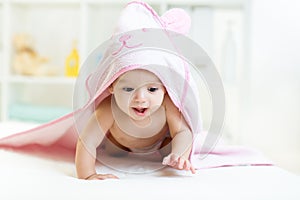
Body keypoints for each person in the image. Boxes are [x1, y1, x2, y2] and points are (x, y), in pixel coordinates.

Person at [75, 69, 196, 180]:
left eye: (152, 89)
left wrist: (180, 155)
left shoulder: (167, 104)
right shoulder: (109, 107)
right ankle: (114, 143)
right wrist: (88, 175)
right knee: (114, 151)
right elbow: (87, 140)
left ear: (164, 88)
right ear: (111, 87)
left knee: (170, 152)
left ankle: (172, 154)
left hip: (159, 142)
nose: (140, 99)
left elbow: (182, 132)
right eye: (128, 89)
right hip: (119, 142)